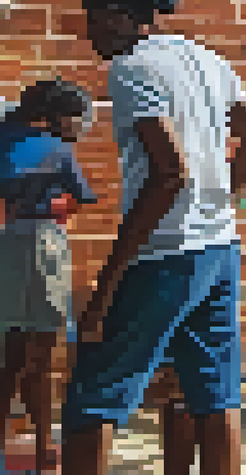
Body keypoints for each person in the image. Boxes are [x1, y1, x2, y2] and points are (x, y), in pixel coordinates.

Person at [62, 0, 246, 475]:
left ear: (119, 16)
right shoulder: (207, 60)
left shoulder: (133, 68)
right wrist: (218, 200)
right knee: (214, 396)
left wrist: (110, 278)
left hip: (163, 256)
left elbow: (169, 174)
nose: (89, 34)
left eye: (92, 20)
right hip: (218, 253)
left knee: (95, 396)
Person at [0, 79, 96, 472]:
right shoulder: (56, 149)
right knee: (40, 354)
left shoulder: (6, 133)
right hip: (43, 244)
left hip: (5, 243)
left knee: (8, 356)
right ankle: (43, 449)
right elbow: (83, 195)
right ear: (54, 115)